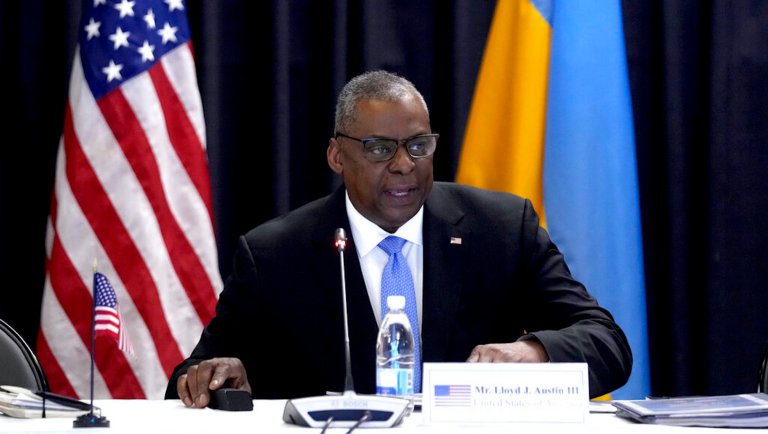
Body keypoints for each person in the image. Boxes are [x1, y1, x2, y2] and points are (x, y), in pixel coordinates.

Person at [165, 70, 632, 407]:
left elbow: (608, 344)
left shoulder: (503, 229)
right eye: (379, 149)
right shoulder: (274, 254)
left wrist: (534, 351)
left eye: (418, 145)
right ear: (336, 155)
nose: (404, 164)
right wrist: (215, 376)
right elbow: (191, 378)